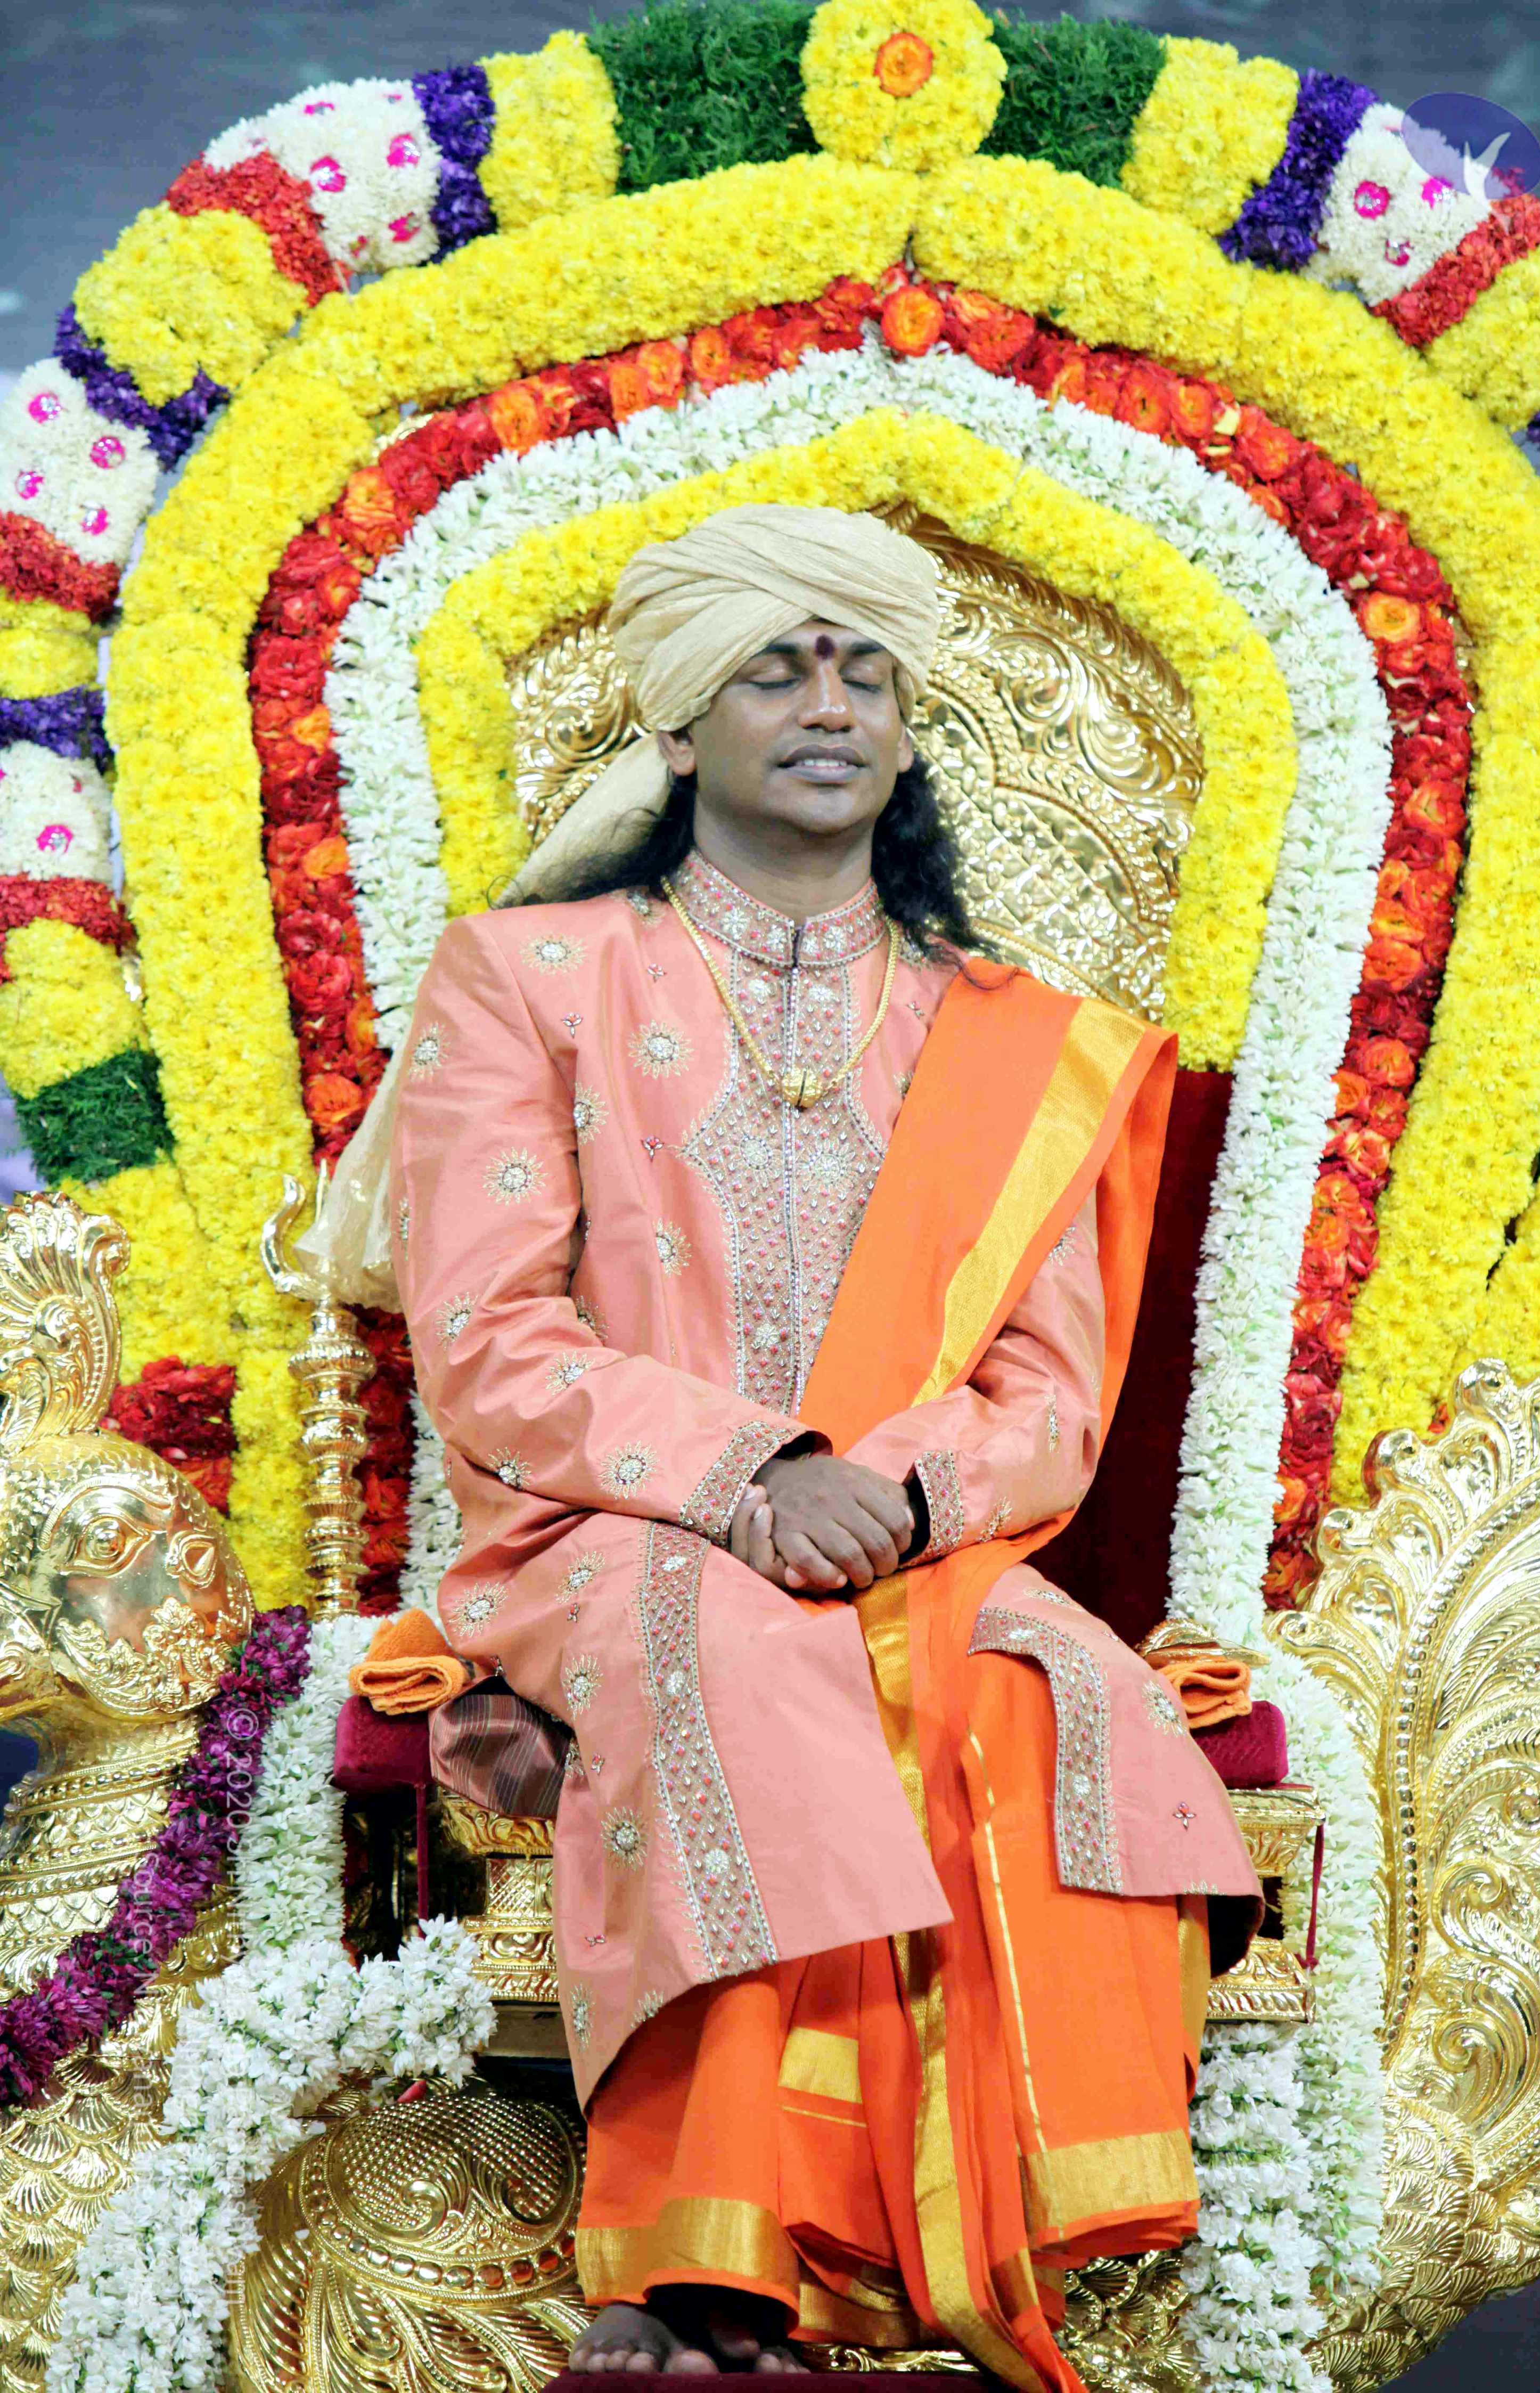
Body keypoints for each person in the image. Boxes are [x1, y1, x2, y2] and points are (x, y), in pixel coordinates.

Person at [384, 505, 1261, 2388]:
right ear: (677, 724)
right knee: (732, 1640)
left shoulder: (1014, 1042)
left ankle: (901, 2256)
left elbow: (1049, 1398)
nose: (830, 704)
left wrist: (899, 1500)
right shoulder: (531, 977)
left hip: (915, 1536)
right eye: (776, 669)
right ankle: (703, 2255)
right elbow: (485, 1337)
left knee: (1035, 1695)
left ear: (907, 727)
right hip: (601, 1523)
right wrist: (753, 1475)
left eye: (864, 672)